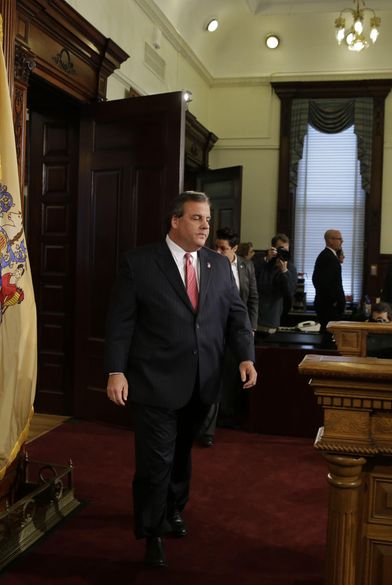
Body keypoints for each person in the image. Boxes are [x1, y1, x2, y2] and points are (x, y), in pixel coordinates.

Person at [104, 191, 257, 568]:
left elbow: (237, 317)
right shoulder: (139, 263)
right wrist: (115, 369)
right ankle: (151, 532)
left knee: (181, 457)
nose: (206, 225)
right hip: (153, 381)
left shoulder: (219, 266)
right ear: (175, 221)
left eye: (207, 219)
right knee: (155, 460)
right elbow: (120, 322)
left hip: (201, 382)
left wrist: (246, 358)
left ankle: (174, 509)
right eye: (197, 218)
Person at [199, 227, 258, 447]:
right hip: (212, 331)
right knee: (212, 377)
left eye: (223, 248)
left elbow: (252, 298)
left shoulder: (246, 266)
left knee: (233, 377)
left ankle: (228, 417)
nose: (218, 250)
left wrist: (250, 328)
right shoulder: (208, 263)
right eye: (216, 246)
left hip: (237, 331)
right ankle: (207, 431)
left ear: (234, 248)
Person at [255, 233, 298, 331]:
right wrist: (266, 260)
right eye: (281, 250)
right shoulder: (262, 261)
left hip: (272, 317)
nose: (283, 253)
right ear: (273, 248)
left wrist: (284, 271)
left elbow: (289, 292)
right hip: (254, 314)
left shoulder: (290, 268)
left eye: (286, 250)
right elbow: (251, 279)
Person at [312, 229, 346, 348]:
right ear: (330, 241)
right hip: (329, 307)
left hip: (326, 306)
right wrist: (335, 301)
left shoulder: (329, 256)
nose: (342, 241)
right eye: (339, 239)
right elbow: (325, 283)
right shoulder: (329, 257)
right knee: (329, 342)